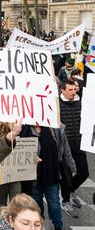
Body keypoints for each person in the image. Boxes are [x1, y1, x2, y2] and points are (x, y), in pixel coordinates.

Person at [20, 124, 76, 230]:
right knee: (36, 205)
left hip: (52, 173)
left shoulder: (55, 129)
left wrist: (72, 166)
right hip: (33, 177)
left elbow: (65, 149)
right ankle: (39, 225)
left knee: (54, 203)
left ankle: (58, 226)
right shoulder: (23, 130)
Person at [59, 80, 89, 217]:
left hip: (79, 144)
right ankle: (65, 201)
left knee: (83, 173)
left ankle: (71, 190)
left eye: (74, 89)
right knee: (66, 176)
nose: (73, 92)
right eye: (70, 90)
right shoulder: (57, 104)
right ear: (62, 90)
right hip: (65, 147)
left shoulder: (81, 102)